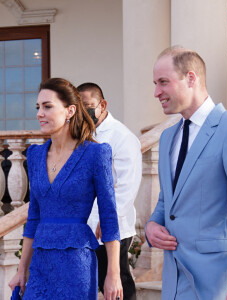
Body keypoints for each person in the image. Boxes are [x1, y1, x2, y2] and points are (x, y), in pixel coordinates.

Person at [145, 46, 227, 300]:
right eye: (155, 83)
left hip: (218, 284)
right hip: (174, 283)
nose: (156, 92)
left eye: (163, 82)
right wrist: (152, 226)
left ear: (191, 78)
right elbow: (167, 202)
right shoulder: (167, 138)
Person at [8, 78, 123, 300]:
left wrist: (113, 274)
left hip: (76, 263)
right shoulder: (34, 155)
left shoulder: (95, 154)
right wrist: (22, 269)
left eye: (48, 106)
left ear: (70, 110)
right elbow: (34, 218)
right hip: (40, 263)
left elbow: (109, 217)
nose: (40, 113)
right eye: (38, 107)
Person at [77, 82, 142, 300]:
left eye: (88, 105)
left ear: (102, 105)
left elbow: (127, 185)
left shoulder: (122, 137)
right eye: (78, 106)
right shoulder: (80, 135)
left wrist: (108, 221)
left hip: (112, 228)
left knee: (117, 286)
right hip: (85, 226)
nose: (82, 111)